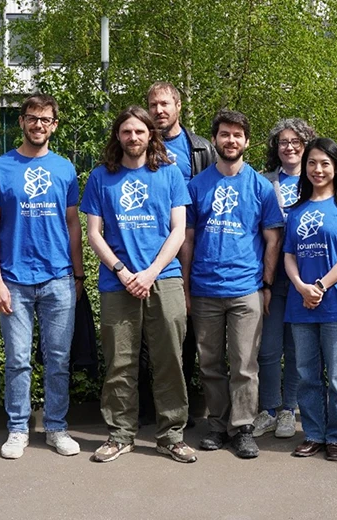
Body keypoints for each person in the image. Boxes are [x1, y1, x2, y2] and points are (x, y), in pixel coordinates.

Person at [80, 105, 197, 464]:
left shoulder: (170, 174)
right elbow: (93, 234)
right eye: (127, 132)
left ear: (151, 136)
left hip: (164, 279)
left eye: (140, 132)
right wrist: (122, 271)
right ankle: (120, 435)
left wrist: (150, 273)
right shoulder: (101, 177)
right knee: (120, 363)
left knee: (169, 361)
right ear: (118, 136)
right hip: (118, 283)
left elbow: (179, 230)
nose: (133, 137)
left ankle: (171, 436)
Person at [0, 94, 84, 459]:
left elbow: (73, 225)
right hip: (15, 279)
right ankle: (18, 428)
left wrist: (78, 275)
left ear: (54, 125)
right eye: (32, 118)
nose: (39, 125)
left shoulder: (65, 168)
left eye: (46, 119)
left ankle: (56, 427)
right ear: (21, 122)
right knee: (17, 359)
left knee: (58, 359)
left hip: (58, 278)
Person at [181, 109, 283, 459]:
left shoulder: (261, 186)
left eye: (237, 135)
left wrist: (266, 285)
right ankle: (217, 425)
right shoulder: (196, 186)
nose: (231, 140)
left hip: (246, 289)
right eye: (224, 134)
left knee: (243, 365)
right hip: (205, 289)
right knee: (210, 365)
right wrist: (185, 286)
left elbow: (272, 240)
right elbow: (188, 239)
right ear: (215, 139)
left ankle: (242, 428)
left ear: (247, 141)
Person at [284, 138, 337, 462]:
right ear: (304, 168)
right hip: (301, 303)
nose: (318, 169)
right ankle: (313, 434)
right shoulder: (296, 211)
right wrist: (301, 286)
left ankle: (336, 436)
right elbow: (289, 255)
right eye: (312, 163)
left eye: (324, 163)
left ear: (336, 167)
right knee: (307, 375)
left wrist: (319, 285)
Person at [142, 82, 217, 425]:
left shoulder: (200, 149)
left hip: (193, 248)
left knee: (184, 334)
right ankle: (147, 410)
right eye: (153, 104)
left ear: (178, 106)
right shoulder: (138, 145)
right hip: (146, 250)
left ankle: (182, 411)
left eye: (165, 104)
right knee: (146, 338)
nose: (159, 110)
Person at [253, 118, 316, 439]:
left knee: (296, 349)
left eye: (296, 142)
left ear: (307, 146)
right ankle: (267, 408)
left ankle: (289, 409)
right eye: (283, 142)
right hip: (272, 279)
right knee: (268, 348)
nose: (289, 147)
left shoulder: (318, 181)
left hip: (305, 281)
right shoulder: (264, 183)